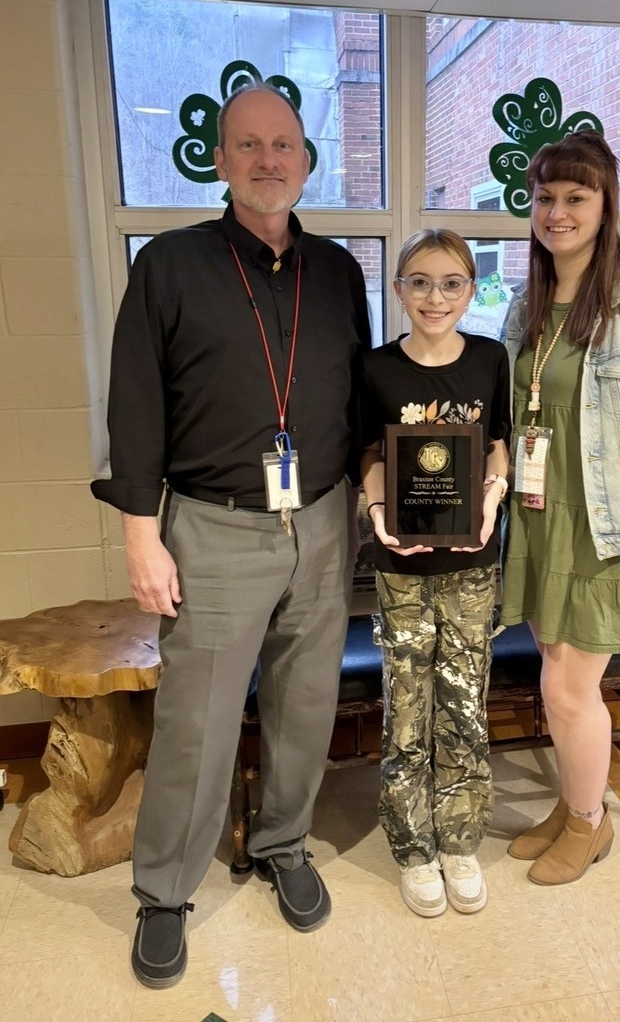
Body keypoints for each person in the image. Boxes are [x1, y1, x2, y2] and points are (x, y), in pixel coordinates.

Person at [91, 81, 371, 988]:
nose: (267, 160)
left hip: (322, 519)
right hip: (211, 526)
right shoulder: (168, 266)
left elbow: (354, 397)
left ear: (305, 159)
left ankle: (283, 842)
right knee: (197, 722)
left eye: (283, 145)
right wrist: (144, 534)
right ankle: (164, 891)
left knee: (303, 704)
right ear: (220, 161)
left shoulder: (338, 271)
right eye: (247, 145)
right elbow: (134, 408)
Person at [500, 130, 620, 885]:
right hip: (542, 522)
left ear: (605, 204)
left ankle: (588, 825)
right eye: (545, 197)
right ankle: (576, 802)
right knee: (556, 676)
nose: (557, 212)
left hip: (605, 534)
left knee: (565, 688)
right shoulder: (529, 302)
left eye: (574, 197)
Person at [356, 229, 510, 917]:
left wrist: (492, 495)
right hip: (402, 566)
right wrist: (378, 508)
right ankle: (413, 847)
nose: (434, 296)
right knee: (408, 708)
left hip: (472, 562)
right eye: (418, 281)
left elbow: (499, 442)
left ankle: (459, 840)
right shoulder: (376, 369)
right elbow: (367, 450)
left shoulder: (489, 360)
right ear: (398, 289)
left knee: (465, 702)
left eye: (450, 283)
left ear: (470, 290)